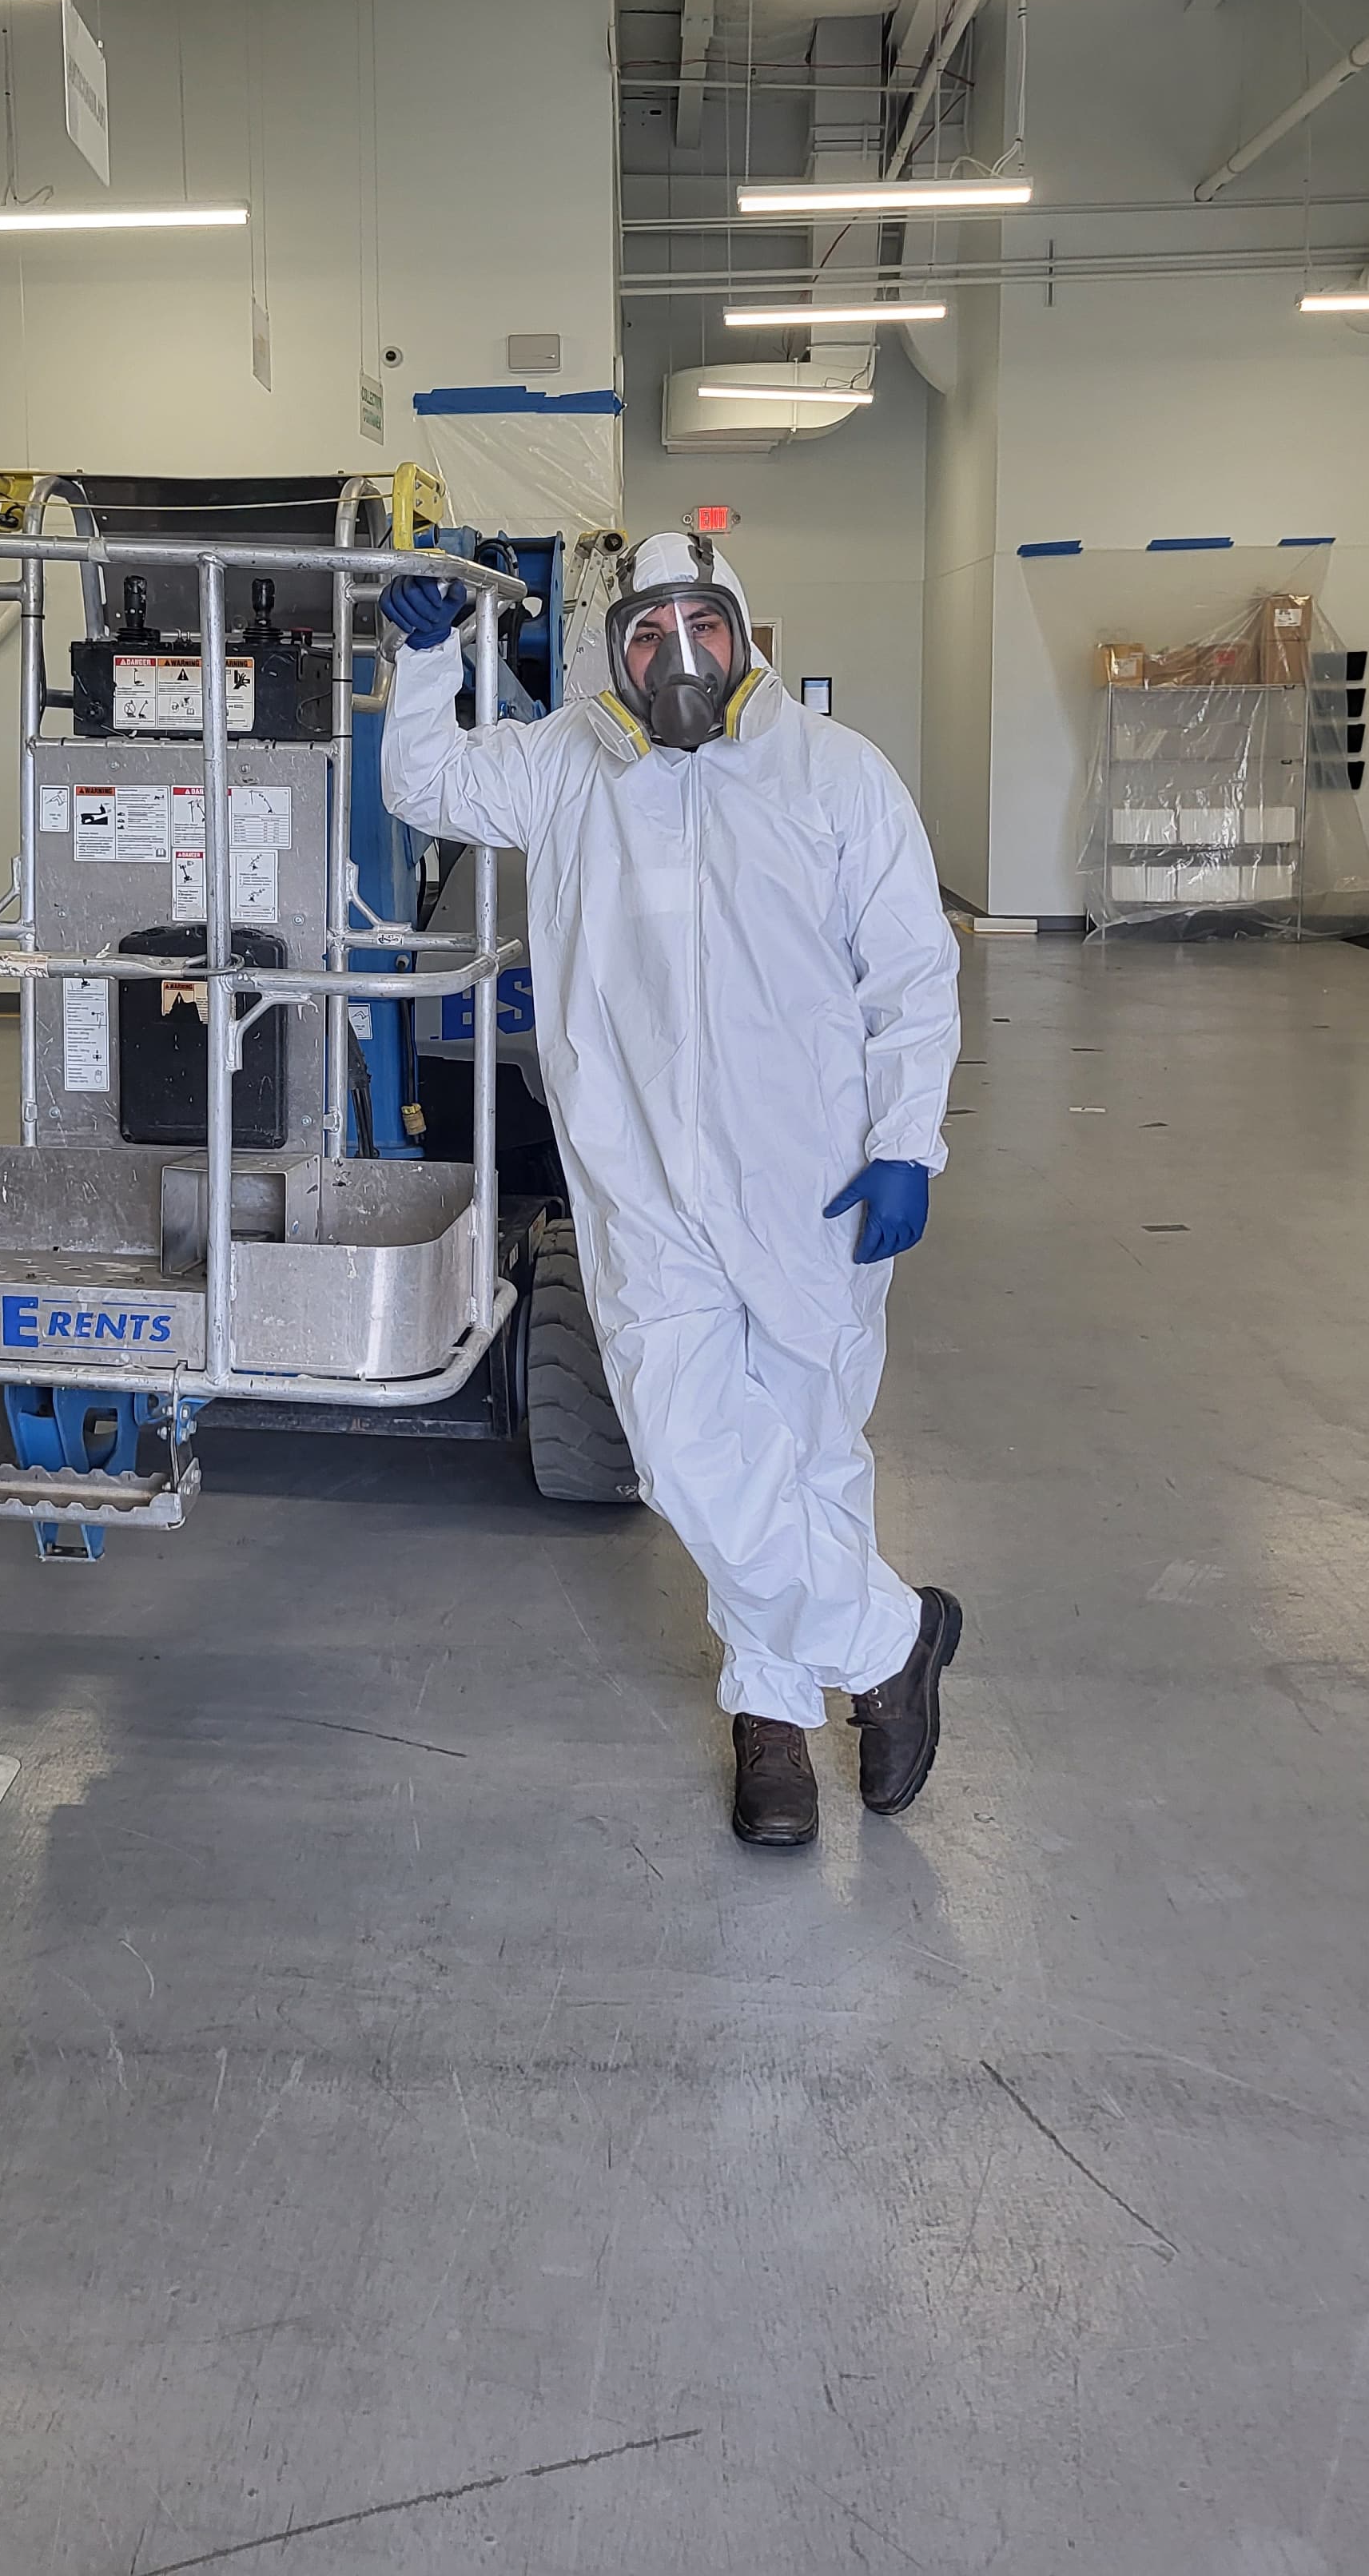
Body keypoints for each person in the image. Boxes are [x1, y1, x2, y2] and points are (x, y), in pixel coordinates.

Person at [380, 529, 963, 1850]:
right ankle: (890, 1638)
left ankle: (775, 1722)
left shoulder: (838, 775)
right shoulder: (565, 765)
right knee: (693, 1447)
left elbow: (911, 977)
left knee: (809, 1448)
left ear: (745, 629)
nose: (676, 654)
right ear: (613, 648)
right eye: (646, 631)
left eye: (699, 622)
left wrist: (907, 1144)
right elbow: (421, 783)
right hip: (640, 1182)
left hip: (814, 1176)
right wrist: (421, 663)